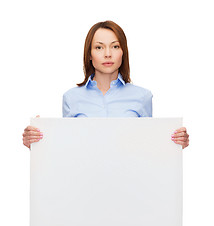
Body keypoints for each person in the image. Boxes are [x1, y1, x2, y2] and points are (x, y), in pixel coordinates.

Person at [22, 20, 189, 149]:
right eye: (99, 47)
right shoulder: (71, 98)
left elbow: (151, 145)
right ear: (89, 54)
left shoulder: (142, 97)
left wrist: (174, 142)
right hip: (85, 185)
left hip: (130, 185)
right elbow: (67, 147)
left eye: (115, 46)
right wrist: (37, 142)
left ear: (123, 52)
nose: (108, 54)